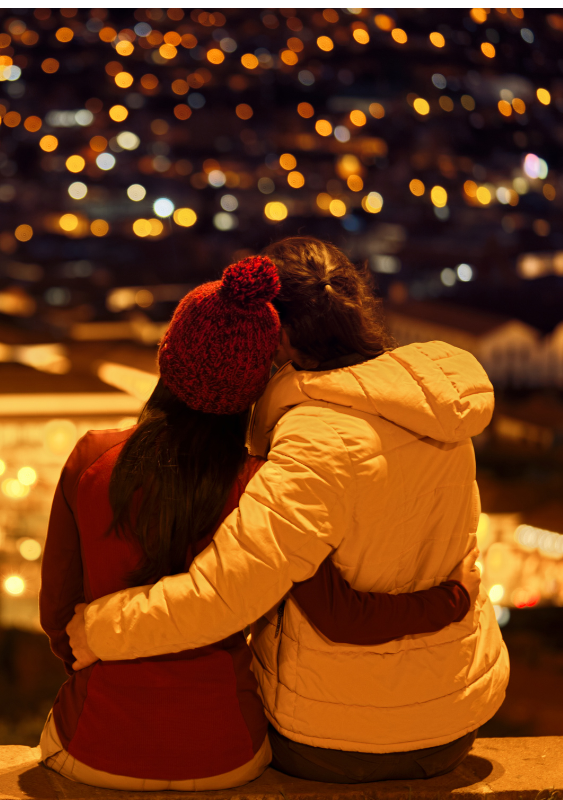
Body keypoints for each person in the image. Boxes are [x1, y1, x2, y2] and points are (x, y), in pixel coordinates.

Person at [39, 253, 483, 791]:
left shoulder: (100, 460)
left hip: (320, 738)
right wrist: (455, 601)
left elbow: (229, 600)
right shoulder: (447, 420)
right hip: (449, 717)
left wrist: (92, 632)